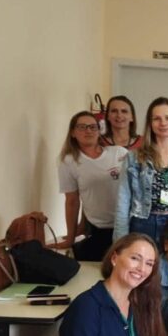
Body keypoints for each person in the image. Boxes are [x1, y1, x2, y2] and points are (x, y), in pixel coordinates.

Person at [114, 97, 168, 244]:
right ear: (150, 123)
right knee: (142, 266)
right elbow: (123, 201)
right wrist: (119, 240)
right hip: (142, 224)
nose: (163, 123)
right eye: (157, 118)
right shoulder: (133, 157)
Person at [58, 111, 127, 261]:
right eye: (82, 127)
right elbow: (72, 201)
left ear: (99, 130)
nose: (88, 131)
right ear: (73, 133)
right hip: (99, 229)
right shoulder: (68, 162)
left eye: (92, 127)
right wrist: (70, 237)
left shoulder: (119, 153)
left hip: (127, 226)